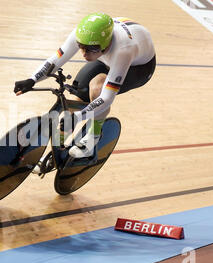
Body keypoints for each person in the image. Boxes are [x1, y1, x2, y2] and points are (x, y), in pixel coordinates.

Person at [14, 12, 156, 170]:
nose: (84, 53)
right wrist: (32, 79)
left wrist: (78, 118)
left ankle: (92, 138)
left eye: (89, 49)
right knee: (76, 98)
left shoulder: (124, 50)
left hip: (139, 67)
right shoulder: (83, 35)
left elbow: (107, 97)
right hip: (107, 55)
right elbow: (56, 59)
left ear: (105, 44)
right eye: (81, 47)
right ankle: (57, 153)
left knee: (97, 87)